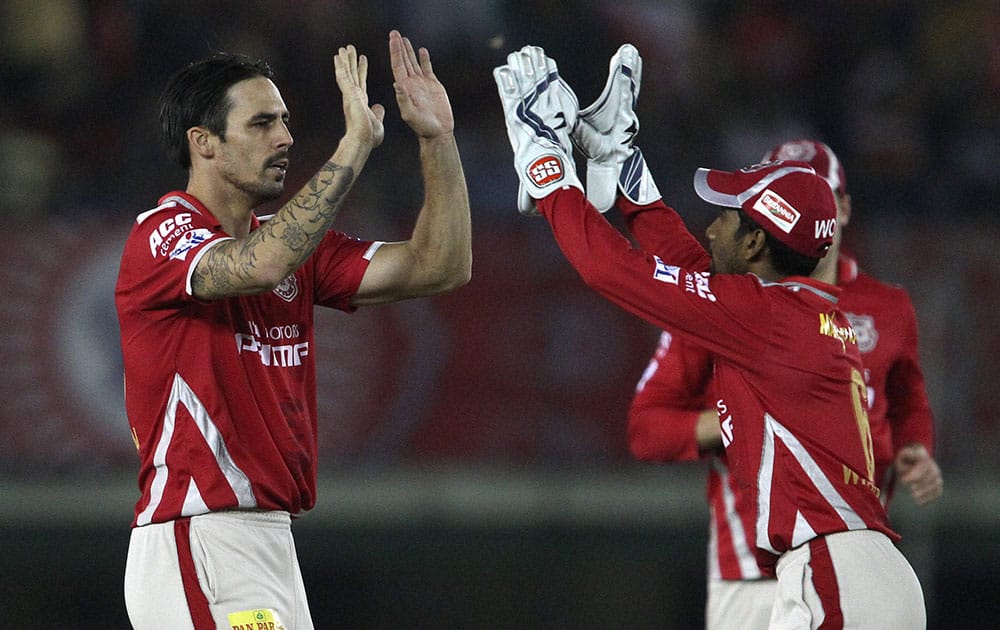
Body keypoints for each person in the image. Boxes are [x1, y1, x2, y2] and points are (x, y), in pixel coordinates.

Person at [494, 44, 926, 627]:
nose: (712, 223)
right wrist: (621, 162)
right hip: (862, 570)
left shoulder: (763, 316)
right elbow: (692, 269)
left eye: (727, 214)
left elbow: (610, 271)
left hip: (835, 574)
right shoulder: (799, 310)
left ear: (754, 246)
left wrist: (545, 166)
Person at [115, 30, 471, 629]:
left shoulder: (293, 243)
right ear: (203, 143)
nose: (284, 139)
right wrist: (353, 148)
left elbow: (442, 265)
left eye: (284, 121)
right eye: (260, 124)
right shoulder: (161, 233)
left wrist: (437, 139)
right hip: (199, 539)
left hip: (269, 543)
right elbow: (260, 265)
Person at [629, 139, 943, 629]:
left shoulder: (888, 307)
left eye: (819, 191)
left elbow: (908, 402)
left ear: (841, 207)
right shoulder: (726, 303)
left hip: (848, 548)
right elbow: (646, 430)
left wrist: (916, 446)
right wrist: (732, 424)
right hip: (752, 565)